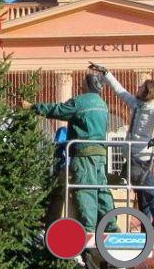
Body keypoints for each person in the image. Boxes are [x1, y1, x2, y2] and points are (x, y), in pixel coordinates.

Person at [21, 71, 118, 234]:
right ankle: (111, 225)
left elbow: (58, 110)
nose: (80, 84)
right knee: (102, 189)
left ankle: (89, 230)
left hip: (84, 154)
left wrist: (33, 107)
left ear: (88, 84)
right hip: (100, 153)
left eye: (83, 82)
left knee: (85, 188)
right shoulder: (102, 104)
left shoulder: (81, 102)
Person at [91, 63, 154, 232]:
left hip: (142, 158)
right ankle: (146, 226)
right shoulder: (138, 105)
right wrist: (107, 74)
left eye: (141, 87)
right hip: (131, 157)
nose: (137, 88)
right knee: (141, 194)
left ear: (147, 92)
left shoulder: (152, 110)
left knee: (149, 194)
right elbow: (120, 91)